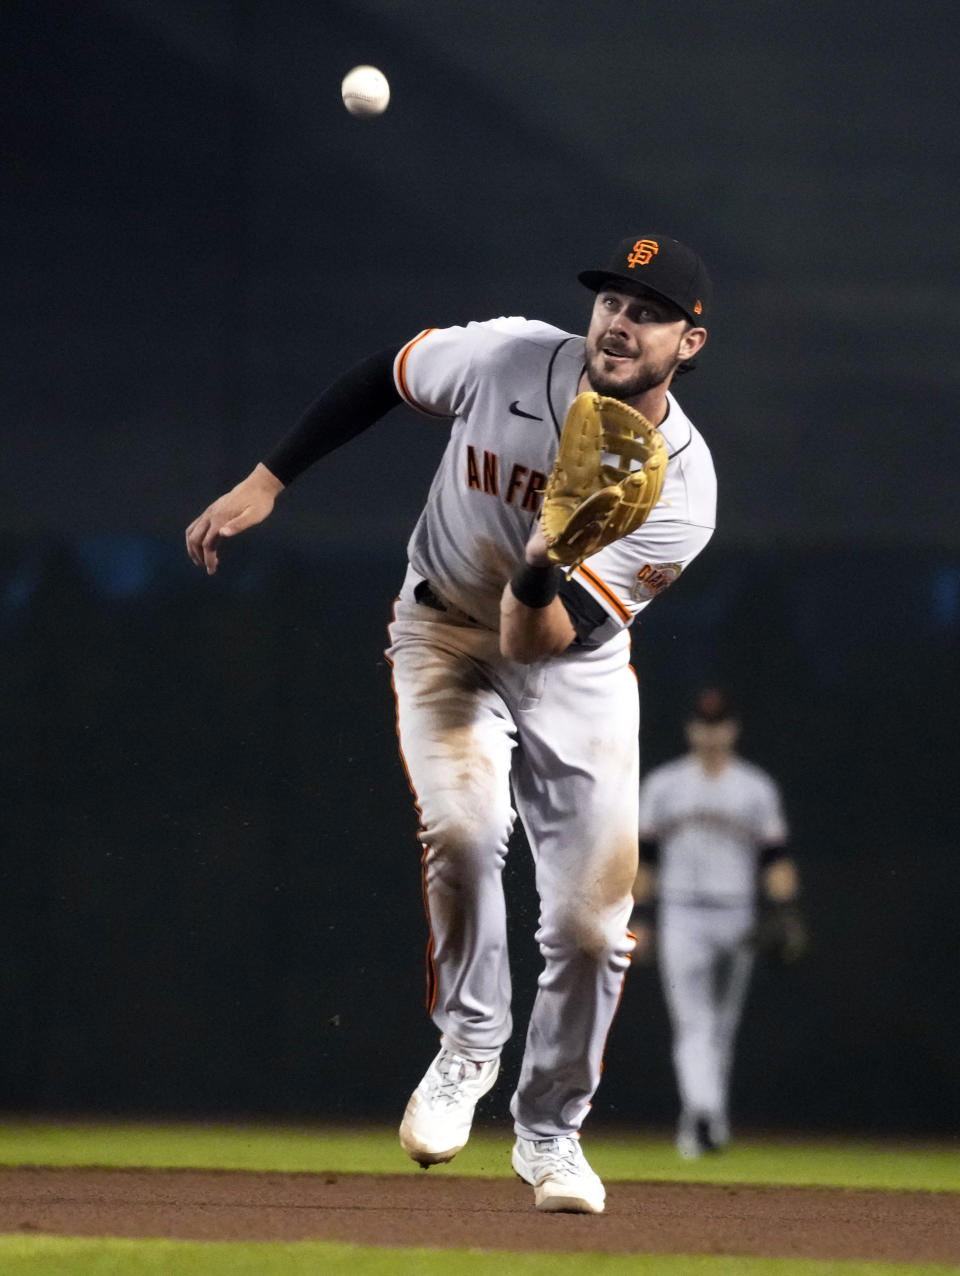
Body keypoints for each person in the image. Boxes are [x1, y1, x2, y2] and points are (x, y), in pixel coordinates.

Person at [185, 234, 716, 1213]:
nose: (619, 320)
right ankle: (469, 1043)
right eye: (611, 298)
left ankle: (552, 1133)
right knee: (465, 829)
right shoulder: (509, 356)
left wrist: (548, 550)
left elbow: (539, 637)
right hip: (439, 633)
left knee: (593, 928)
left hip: (570, 668)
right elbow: (380, 377)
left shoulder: (681, 489)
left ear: (691, 342)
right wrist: (270, 478)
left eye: (649, 311)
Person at [631, 688, 804, 1159]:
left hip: (738, 914)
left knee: (721, 1027)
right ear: (692, 729)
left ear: (733, 728)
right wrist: (641, 917)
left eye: (720, 722)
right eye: (704, 723)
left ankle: (704, 1123)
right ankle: (705, 1116)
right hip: (681, 913)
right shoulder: (665, 785)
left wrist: (785, 913)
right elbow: (646, 859)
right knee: (693, 1024)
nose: (711, 731)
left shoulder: (755, 787)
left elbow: (776, 858)